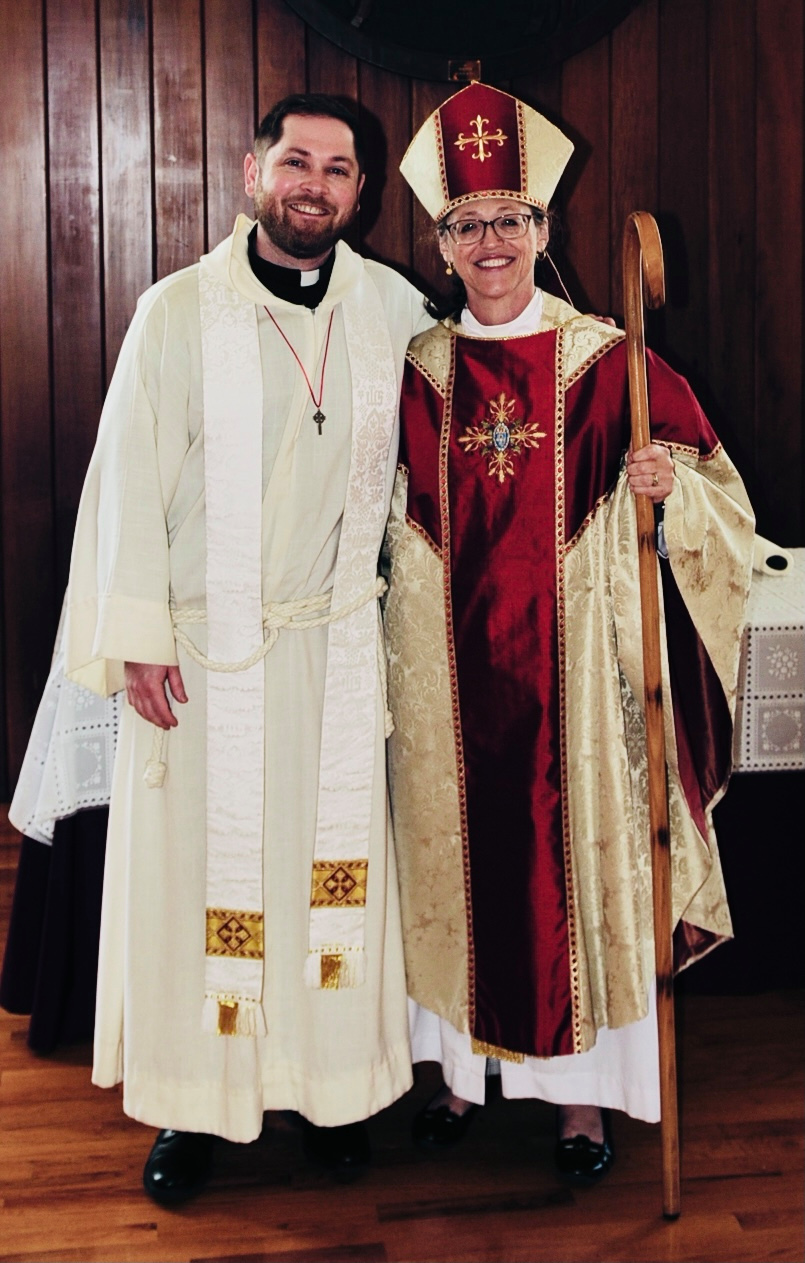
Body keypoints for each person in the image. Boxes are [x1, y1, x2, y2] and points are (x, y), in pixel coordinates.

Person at [59, 93, 431, 1203]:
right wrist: (136, 640)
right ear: (252, 170)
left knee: (326, 883)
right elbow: (126, 477)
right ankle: (196, 1106)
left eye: (337, 169)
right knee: (200, 883)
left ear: (360, 192)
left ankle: (330, 1092)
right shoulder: (178, 312)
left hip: (332, 653)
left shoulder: (393, 310)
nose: (314, 184)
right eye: (295, 161)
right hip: (205, 658)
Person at [384, 82, 755, 1184]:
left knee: (573, 877)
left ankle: (582, 1104)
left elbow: (722, 507)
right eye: (467, 224)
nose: (490, 242)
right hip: (446, 684)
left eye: (510, 218)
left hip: (581, 691)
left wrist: (667, 494)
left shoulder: (609, 363)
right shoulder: (416, 369)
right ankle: (460, 1075)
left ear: (545, 230)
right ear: (440, 244)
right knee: (457, 868)